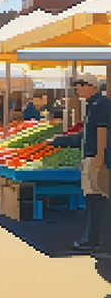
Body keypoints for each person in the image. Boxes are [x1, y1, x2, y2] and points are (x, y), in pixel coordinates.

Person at [52, 75, 109, 252]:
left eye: (81, 85)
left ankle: (94, 240)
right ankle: (93, 239)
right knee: (93, 199)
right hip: (91, 156)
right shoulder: (93, 104)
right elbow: (88, 134)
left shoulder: (101, 104)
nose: (78, 89)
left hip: (95, 158)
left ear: (92, 86)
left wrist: (99, 158)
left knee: (96, 200)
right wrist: (61, 140)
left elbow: (102, 131)